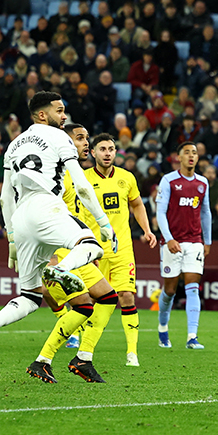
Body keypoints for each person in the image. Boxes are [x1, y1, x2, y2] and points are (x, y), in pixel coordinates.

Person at [0, 92, 118, 369]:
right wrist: (104, 223)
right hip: (46, 204)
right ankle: (61, 271)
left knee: (30, 296)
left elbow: (4, 199)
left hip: (21, 217)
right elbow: (82, 185)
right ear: (41, 115)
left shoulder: (13, 145)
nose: (64, 117)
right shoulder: (60, 137)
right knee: (92, 245)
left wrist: (12, 241)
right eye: (59, 111)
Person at [28, 123, 119, 384]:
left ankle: (83, 358)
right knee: (84, 305)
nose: (85, 144)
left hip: (78, 248)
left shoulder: (75, 172)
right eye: (80, 139)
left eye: (86, 138)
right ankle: (43, 360)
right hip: (60, 250)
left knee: (107, 298)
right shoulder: (54, 177)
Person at [80, 133, 157, 365]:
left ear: (116, 152)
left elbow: (136, 204)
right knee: (91, 300)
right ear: (93, 152)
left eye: (111, 149)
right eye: (102, 149)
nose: (107, 153)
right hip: (93, 250)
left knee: (126, 296)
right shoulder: (82, 180)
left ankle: (132, 352)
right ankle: (84, 346)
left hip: (122, 248)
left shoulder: (127, 178)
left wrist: (147, 229)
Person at [155, 141, 212, 350]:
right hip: (172, 242)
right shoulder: (168, 181)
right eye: (187, 152)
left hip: (195, 242)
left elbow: (206, 213)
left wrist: (208, 240)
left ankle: (192, 337)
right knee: (170, 290)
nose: (191, 156)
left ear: (198, 158)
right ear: (178, 157)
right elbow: (160, 212)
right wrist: (169, 238)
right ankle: (162, 328)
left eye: (194, 153)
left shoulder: (203, 183)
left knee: (193, 288)